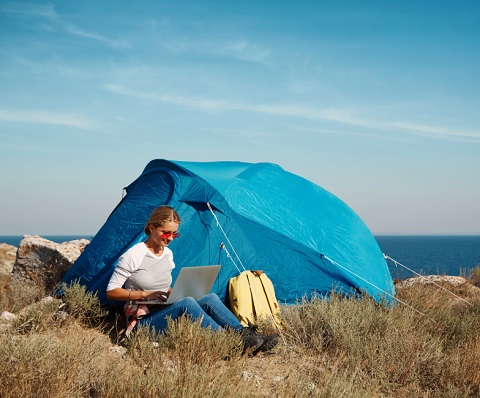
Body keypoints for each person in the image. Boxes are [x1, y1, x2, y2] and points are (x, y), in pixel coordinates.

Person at [106, 205, 278, 354]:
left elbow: (164, 288)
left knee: (209, 298)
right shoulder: (134, 255)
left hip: (163, 311)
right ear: (151, 228)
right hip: (141, 324)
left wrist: (178, 293)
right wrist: (145, 294)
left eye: (174, 234)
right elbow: (112, 292)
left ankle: (245, 335)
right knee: (187, 303)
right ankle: (229, 343)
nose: (170, 238)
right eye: (165, 233)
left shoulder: (168, 254)